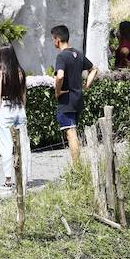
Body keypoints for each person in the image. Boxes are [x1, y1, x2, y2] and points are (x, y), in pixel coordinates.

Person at [51, 25, 98, 165]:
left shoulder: (61, 56)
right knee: (74, 131)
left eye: (53, 39)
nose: (53, 42)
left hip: (67, 100)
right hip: (78, 99)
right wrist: (87, 85)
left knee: (71, 134)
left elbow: (60, 76)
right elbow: (94, 69)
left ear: (58, 39)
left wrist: (57, 91)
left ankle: (77, 167)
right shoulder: (78, 54)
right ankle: (77, 164)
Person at [0, 45, 31, 191]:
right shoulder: (21, 72)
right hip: (20, 109)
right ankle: (25, 177)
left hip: (6, 108)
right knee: (23, 145)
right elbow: (23, 95)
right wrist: (23, 110)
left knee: (6, 145)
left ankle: (8, 180)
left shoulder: (0, 72)